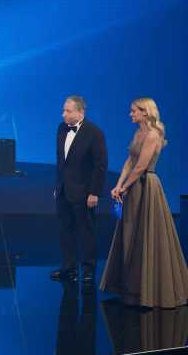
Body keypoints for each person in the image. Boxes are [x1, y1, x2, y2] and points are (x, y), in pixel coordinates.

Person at [99, 98, 188, 308]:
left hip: (146, 186)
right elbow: (130, 161)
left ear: (145, 112)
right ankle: (132, 289)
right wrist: (118, 184)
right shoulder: (138, 133)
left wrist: (124, 188)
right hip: (133, 187)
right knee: (131, 234)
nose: (130, 114)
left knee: (149, 235)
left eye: (134, 111)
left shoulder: (153, 134)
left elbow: (141, 167)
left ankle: (153, 291)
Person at [51, 95, 107, 284]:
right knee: (65, 230)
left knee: (86, 231)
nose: (63, 114)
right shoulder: (61, 129)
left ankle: (89, 269)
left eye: (67, 111)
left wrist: (94, 192)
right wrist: (58, 185)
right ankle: (69, 268)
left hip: (84, 193)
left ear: (80, 112)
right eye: (63, 110)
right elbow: (61, 162)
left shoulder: (94, 132)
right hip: (64, 190)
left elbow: (100, 165)